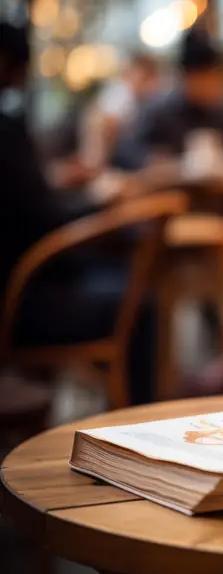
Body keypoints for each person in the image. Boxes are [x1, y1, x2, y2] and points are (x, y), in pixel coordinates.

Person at [0, 22, 154, 405]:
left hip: (28, 274)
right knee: (140, 300)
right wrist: (100, 201)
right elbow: (41, 219)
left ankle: (92, 395)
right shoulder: (6, 129)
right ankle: (132, 421)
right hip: (20, 296)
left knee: (118, 271)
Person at [114, 31, 223, 170]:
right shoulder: (160, 112)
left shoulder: (219, 115)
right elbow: (125, 151)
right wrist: (150, 159)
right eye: (208, 79)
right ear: (187, 78)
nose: (216, 86)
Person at [80, 52, 161, 175]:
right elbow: (108, 126)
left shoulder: (129, 94)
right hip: (105, 159)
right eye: (148, 78)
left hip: (109, 157)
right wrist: (104, 165)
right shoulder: (123, 93)